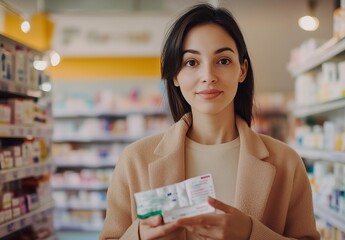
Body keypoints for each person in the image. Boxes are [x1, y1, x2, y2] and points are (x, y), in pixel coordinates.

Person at [100, 3, 320, 240]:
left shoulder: (286, 163)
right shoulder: (135, 161)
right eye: (191, 62)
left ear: (242, 70)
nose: (208, 77)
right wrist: (140, 235)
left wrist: (251, 234)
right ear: (175, 75)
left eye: (223, 61)